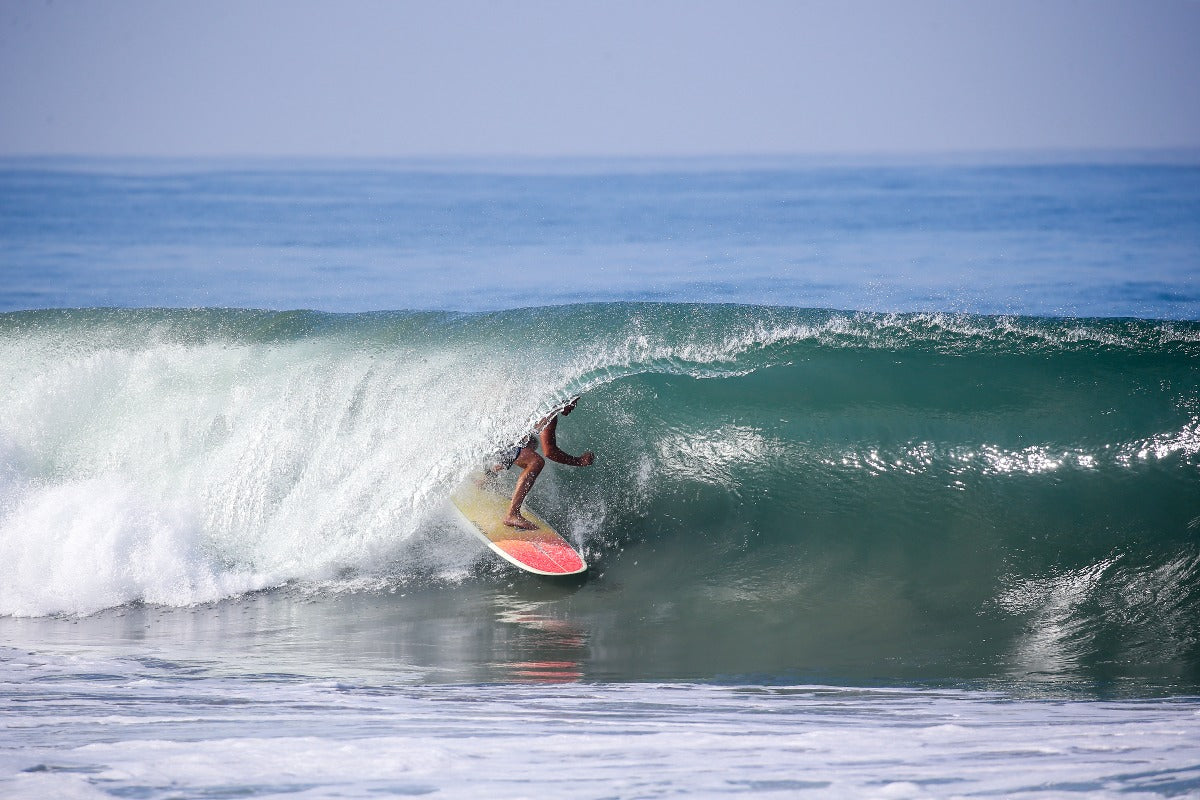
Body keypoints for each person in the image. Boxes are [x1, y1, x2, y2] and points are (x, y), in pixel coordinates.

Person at [490, 396, 594, 530]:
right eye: (575, 402)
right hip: (499, 439)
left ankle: (489, 475)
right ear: (567, 399)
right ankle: (512, 515)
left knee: (531, 443)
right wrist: (579, 461)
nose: (575, 406)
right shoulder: (550, 414)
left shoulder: (546, 402)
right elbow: (550, 452)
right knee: (536, 462)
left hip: (495, 434)